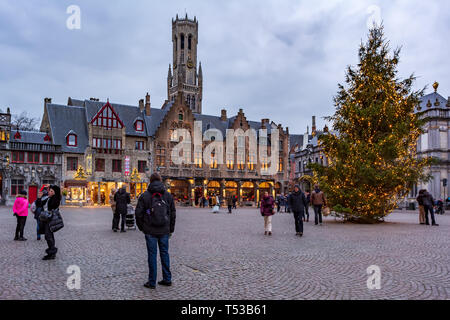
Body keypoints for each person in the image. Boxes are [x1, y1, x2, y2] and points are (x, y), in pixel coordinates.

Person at [135, 173, 176, 289]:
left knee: (152, 256)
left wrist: (142, 227)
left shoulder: (145, 196)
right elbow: (173, 213)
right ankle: (167, 279)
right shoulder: (168, 196)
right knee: (165, 254)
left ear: (150, 181)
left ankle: (152, 281)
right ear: (160, 181)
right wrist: (171, 229)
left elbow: (138, 214)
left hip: (150, 230)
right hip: (164, 230)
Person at [40, 185, 61, 260]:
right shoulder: (48, 198)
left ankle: (52, 252)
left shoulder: (55, 199)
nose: (49, 192)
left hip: (51, 219)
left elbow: (52, 207)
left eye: (52, 191)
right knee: (48, 235)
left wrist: (52, 188)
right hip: (46, 219)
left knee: (48, 236)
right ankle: (51, 251)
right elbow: (40, 204)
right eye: (50, 191)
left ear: (55, 193)